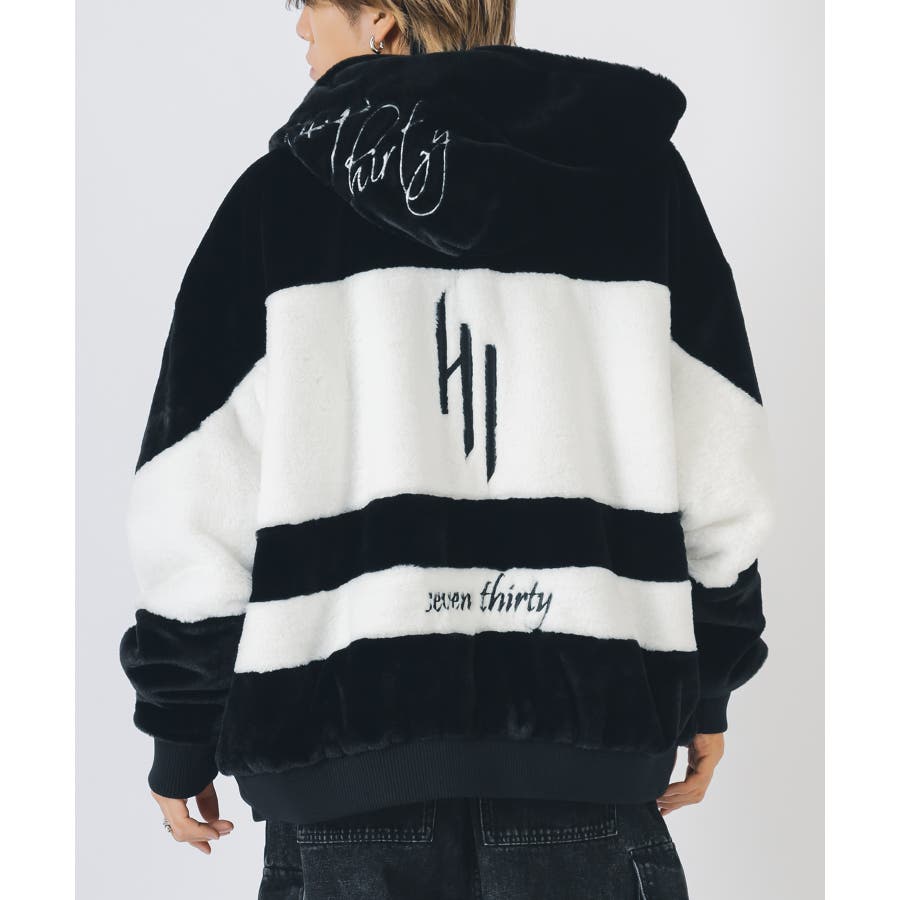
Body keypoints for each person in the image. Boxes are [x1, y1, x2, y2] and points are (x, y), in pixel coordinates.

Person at [118, 1, 778, 898]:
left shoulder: (275, 203)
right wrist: (710, 682)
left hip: (343, 780)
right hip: (588, 753)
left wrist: (181, 723)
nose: (300, 27)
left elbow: (195, 489)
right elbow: (722, 461)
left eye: (311, 3)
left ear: (383, 20)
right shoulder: (636, 182)